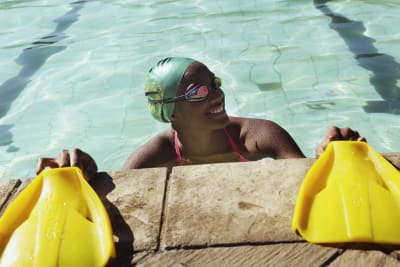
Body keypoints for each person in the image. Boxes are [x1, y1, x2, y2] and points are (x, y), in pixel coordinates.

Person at [36, 57, 366, 181]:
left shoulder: (260, 135)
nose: (217, 95)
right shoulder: (154, 155)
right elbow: (123, 200)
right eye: (198, 92)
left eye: (215, 84)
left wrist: (327, 158)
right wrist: (84, 178)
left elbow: (308, 181)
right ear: (170, 112)